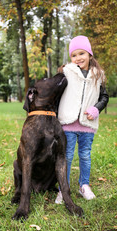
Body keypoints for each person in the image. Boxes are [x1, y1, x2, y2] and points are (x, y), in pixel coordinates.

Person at [55, 35, 109, 203]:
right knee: (67, 156)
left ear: (90, 54)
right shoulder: (66, 73)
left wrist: (96, 109)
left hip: (88, 124)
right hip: (68, 124)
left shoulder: (98, 75)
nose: (78, 58)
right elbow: (56, 95)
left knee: (85, 155)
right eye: (74, 55)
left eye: (82, 53)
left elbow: (104, 97)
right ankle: (63, 188)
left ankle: (83, 185)